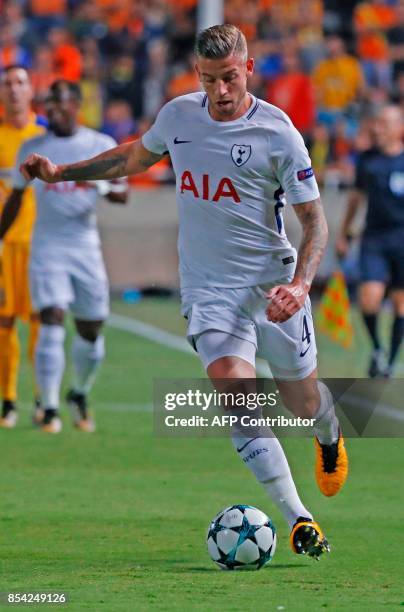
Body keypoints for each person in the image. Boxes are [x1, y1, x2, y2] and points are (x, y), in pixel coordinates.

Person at [19, 25, 348, 557]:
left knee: (303, 402)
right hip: (208, 288)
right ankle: (299, 518)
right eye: (210, 79)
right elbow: (131, 158)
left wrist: (300, 283)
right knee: (236, 396)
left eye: (230, 78)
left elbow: (315, 224)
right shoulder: (178, 115)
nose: (220, 91)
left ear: (249, 68)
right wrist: (60, 174)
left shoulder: (279, 133)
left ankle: (330, 435)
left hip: (273, 285)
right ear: (197, 74)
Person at [0, 79, 128, 433]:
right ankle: (50, 406)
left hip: (85, 244)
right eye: (49, 104)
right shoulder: (33, 146)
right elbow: (15, 196)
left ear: (76, 105)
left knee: (91, 329)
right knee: (52, 317)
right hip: (48, 244)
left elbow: (122, 194)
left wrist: (99, 183)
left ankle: (79, 392)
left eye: (59, 103)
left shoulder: (98, 144)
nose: (52, 110)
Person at [337, 104, 404, 378]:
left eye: (386, 123)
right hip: (374, 237)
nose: (379, 128)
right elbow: (356, 198)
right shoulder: (367, 159)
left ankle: (389, 361)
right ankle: (377, 347)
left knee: (401, 303)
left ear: (400, 127)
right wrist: (345, 232)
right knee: (369, 299)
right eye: (377, 123)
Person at [0, 65, 46, 429]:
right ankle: (9, 400)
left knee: (41, 323)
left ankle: (42, 399)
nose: (14, 90)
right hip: (4, 245)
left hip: (40, 243)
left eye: (20, 83)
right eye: (7, 84)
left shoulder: (45, 136)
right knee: (4, 322)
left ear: (31, 90)